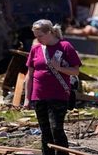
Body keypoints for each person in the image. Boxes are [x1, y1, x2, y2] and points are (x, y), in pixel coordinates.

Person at [24, 19, 82, 155]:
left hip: (58, 95)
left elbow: (75, 71)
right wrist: (27, 98)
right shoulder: (36, 49)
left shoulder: (65, 46)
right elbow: (29, 75)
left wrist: (59, 68)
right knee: (45, 131)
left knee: (56, 129)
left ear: (49, 32)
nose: (37, 39)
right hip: (38, 96)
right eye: (35, 36)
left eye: (40, 36)